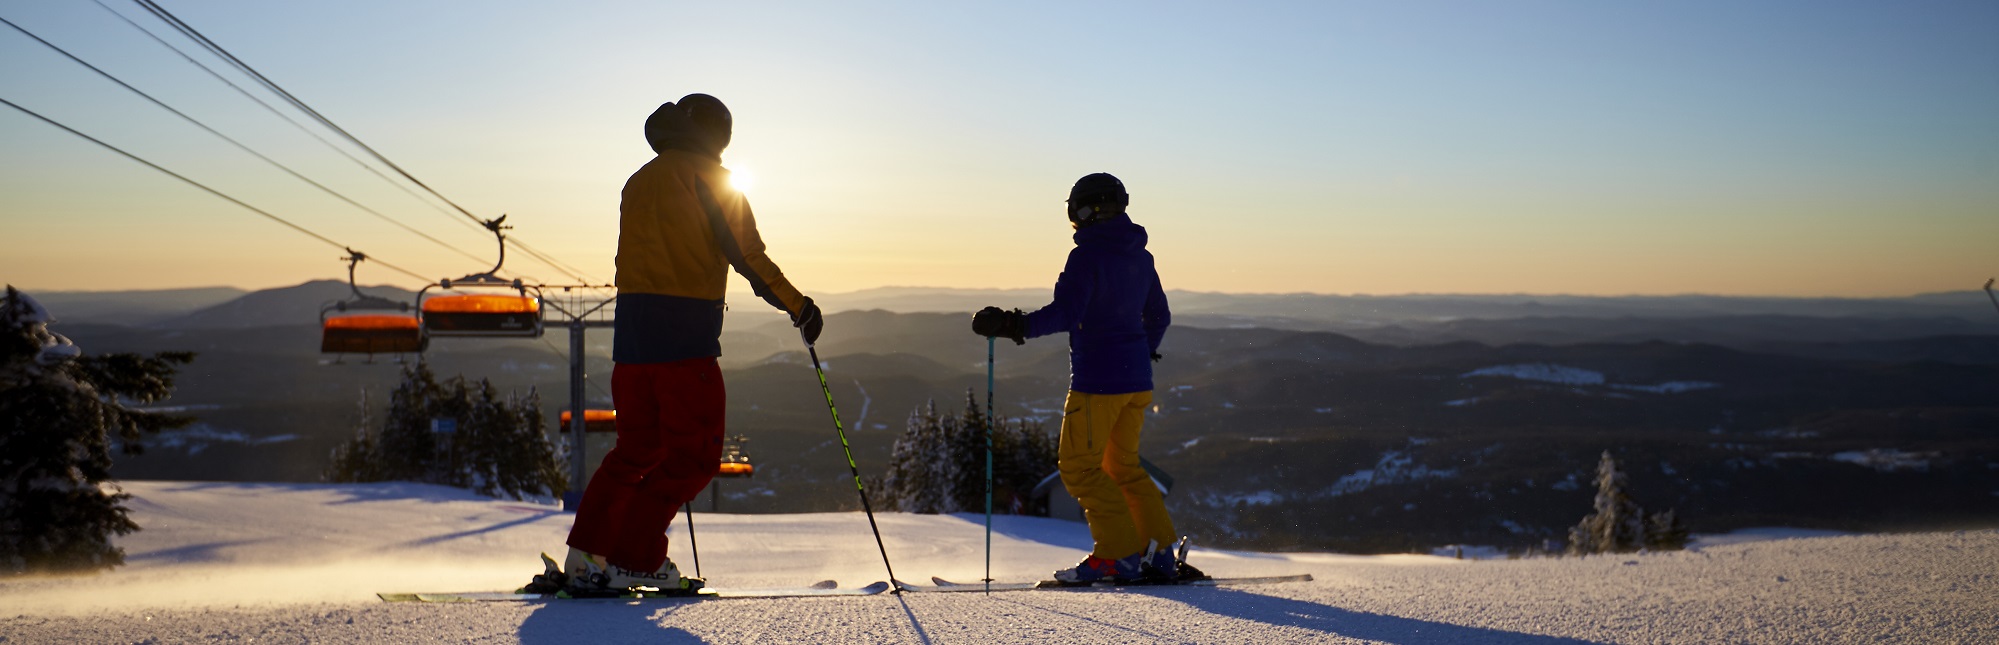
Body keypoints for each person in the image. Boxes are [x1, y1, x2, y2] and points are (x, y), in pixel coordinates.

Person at [563, 94, 823, 592]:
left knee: (635, 452)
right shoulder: (713, 180)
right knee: (696, 459)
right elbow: (747, 255)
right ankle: (634, 558)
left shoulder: (640, 179)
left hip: (631, 342)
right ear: (718, 135)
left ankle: (586, 555)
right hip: (684, 343)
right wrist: (799, 306)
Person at [971, 172, 1200, 584]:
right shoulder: (1140, 256)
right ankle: (1159, 552)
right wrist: (1136, 351)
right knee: (1123, 466)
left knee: (1078, 468)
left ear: (1085, 209)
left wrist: (1012, 325)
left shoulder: (1087, 256)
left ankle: (1117, 556)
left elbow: (1065, 313)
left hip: (1098, 383)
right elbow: (1160, 316)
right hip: (1137, 381)